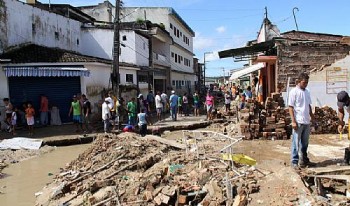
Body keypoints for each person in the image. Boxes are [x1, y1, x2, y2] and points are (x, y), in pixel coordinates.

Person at [288, 72, 315, 169]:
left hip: (306, 121)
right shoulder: (293, 92)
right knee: (295, 142)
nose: (306, 84)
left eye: (307, 82)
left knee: (305, 143)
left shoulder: (307, 91)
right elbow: (290, 107)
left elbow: (308, 105)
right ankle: (294, 162)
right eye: (304, 82)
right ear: (299, 82)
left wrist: (312, 115)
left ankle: (304, 160)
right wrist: (293, 121)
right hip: (298, 121)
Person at [336, 91, 350, 165]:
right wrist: (340, 123)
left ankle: (347, 160)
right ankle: (347, 160)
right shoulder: (340, 100)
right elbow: (340, 110)